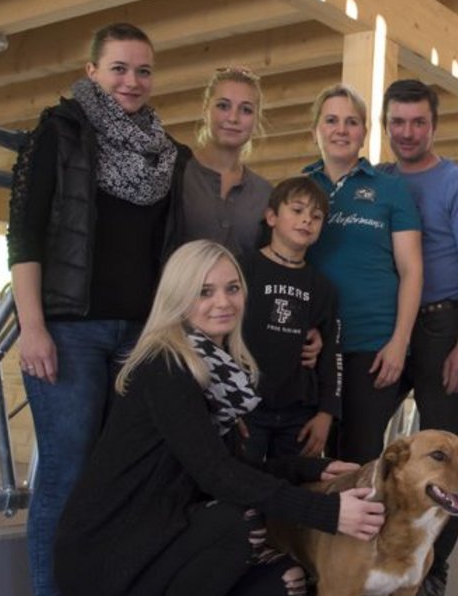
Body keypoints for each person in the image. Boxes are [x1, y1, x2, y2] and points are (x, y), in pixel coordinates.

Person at [53, 240, 384, 596]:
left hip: (153, 537)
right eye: (204, 292)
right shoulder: (165, 366)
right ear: (177, 300)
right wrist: (328, 513)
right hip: (105, 557)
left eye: (232, 288)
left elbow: (228, 467)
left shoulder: (215, 372)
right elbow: (217, 475)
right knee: (233, 523)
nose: (222, 302)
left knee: (285, 587)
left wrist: (310, 469)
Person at [8, 22, 187, 596]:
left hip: (134, 338)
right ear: (92, 71)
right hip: (68, 329)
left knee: (112, 479)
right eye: (118, 68)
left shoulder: (167, 152)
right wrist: (32, 326)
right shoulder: (58, 133)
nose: (131, 81)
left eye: (142, 70)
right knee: (65, 469)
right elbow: (25, 235)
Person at [379, 78, 458, 596]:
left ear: (434, 125)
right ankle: (357, 559)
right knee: (356, 437)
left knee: (448, 461)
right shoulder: (375, 181)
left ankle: (433, 572)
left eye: (418, 122)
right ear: (386, 125)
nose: (407, 132)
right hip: (385, 327)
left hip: (442, 326)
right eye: (398, 122)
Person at [303, 84, 423, 465]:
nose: (341, 129)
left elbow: (411, 268)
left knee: (357, 455)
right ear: (315, 130)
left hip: (371, 344)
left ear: (364, 133)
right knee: (308, 454)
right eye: (332, 120)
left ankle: (358, 528)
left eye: (352, 122)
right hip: (313, 345)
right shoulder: (300, 190)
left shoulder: (390, 189)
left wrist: (399, 343)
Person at [238, 176, 341, 462]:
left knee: (293, 492)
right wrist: (224, 404)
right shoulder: (241, 269)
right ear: (271, 217)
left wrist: (326, 413)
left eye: (316, 216)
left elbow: (332, 352)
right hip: (246, 408)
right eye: (297, 210)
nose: (307, 220)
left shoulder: (323, 288)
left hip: (298, 415)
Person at [177, 67, 273, 261]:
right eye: (223, 106)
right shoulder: (176, 173)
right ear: (206, 110)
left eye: (246, 110)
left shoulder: (266, 193)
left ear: (256, 119)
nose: (233, 118)